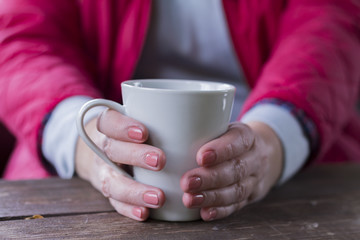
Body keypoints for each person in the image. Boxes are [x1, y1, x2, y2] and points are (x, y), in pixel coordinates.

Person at [0, 0, 359, 222]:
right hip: (80, 150)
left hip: (285, 137)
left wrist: (272, 143)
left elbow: (330, 24)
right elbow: (22, 38)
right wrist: (86, 142)